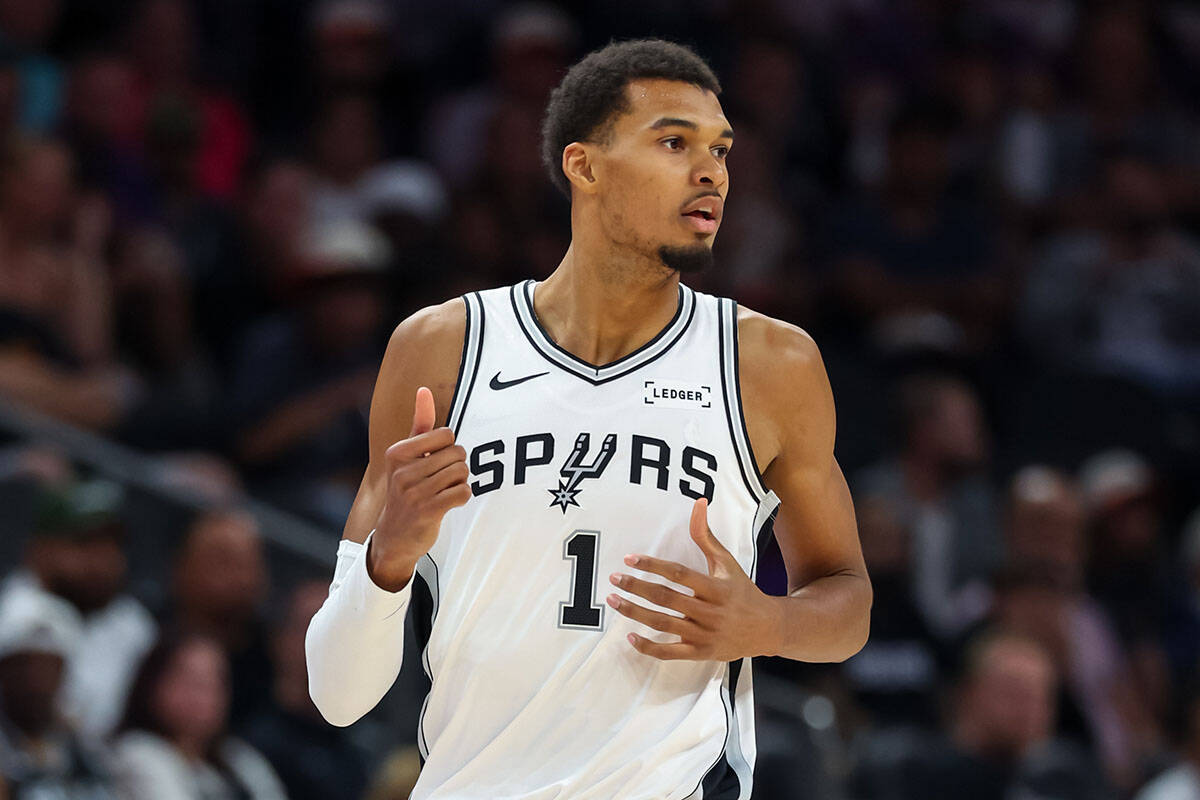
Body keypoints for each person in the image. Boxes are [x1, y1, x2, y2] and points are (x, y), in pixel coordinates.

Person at [305, 38, 871, 798]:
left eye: (721, 150)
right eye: (674, 142)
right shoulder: (443, 348)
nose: (712, 172)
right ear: (585, 165)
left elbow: (849, 602)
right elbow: (339, 696)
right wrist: (390, 558)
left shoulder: (769, 363)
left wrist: (767, 625)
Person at [111, 633, 286, 800]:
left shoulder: (239, 758)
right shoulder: (138, 753)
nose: (204, 696)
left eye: (214, 683)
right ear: (152, 684)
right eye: (191, 682)